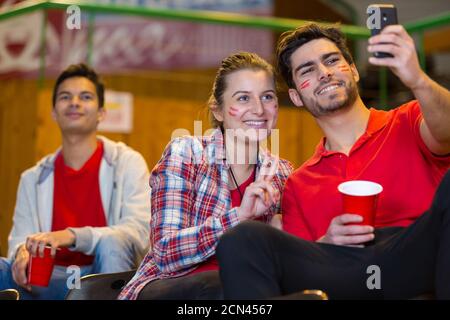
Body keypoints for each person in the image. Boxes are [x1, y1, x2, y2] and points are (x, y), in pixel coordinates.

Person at [216, 23, 450, 299]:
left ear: (353, 70)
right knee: (241, 238)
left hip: (416, 253)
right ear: (295, 97)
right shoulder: (298, 183)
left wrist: (417, 79)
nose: (324, 73)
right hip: (344, 271)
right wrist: (326, 242)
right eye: (307, 70)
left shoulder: (409, 120)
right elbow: (301, 262)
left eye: (331, 61)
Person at [118, 52, 293, 300]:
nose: (258, 109)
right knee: (222, 285)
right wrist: (239, 217)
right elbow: (165, 254)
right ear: (218, 111)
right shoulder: (186, 153)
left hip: (245, 293)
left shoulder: (283, 173)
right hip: (169, 288)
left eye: (267, 97)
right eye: (243, 98)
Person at [0, 64, 151, 300]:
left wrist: (72, 236)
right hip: (49, 281)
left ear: (101, 112)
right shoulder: (32, 177)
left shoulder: (127, 163)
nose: (74, 102)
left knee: (114, 243)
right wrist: (21, 252)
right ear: (53, 112)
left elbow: (138, 233)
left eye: (86, 97)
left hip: (105, 279)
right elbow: (20, 238)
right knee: (2, 267)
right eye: (65, 97)